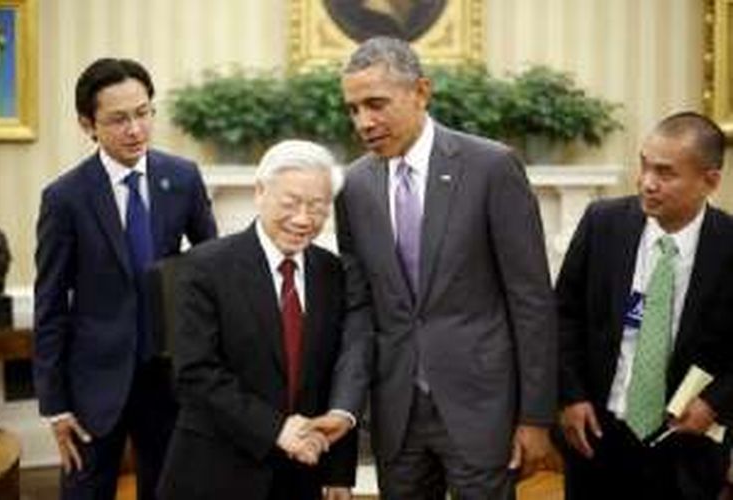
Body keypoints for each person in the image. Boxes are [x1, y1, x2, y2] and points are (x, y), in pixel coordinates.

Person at [312, 36, 559, 499]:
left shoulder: (491, 167)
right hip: (396, 415)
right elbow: (360, 309)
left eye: (376, 104)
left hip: (482, 410)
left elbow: (531, 300)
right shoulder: (356, 187)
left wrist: (535, 416)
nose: (363, 121)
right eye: (353, 109)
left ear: (421, 92)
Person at [33, 58, 217, 500]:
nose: (135, 129)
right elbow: (51, 304)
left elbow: (215, 267)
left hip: (169, 380)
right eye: (118, 119)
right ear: (87, 124)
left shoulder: (182, 177)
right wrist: (55, 407)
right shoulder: (65, 198)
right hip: (92, 387)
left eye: (143, 112)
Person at [157, 140, 357, 500]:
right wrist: (276, 429)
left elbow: (335, 375)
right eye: (291, 203)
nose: (303, 219)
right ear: (260, 192)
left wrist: (339, 473)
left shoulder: (331, 272)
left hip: (302, 475)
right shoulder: (204, 267)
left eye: (317, 207)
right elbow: (195, 374)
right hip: (216, 474)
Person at [556, 111, 733, 499]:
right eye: (644, 165)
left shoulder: (729, 244)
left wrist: (716, 404)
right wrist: (571, 396)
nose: (647, 183)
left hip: (685, 443)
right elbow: (562, 315)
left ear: (710, 181)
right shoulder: (602, 223)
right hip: (597, 435)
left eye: (666, 173)